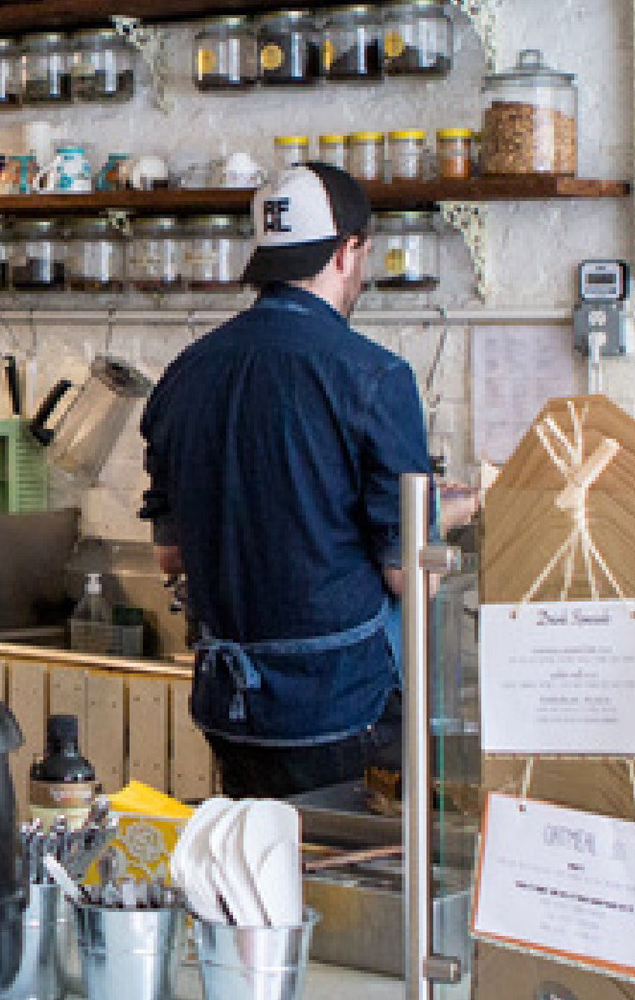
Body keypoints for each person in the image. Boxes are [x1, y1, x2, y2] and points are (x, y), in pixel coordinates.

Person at [138, 162, 433, 801]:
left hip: (232, 707)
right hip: (343, 709)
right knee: (345, 862)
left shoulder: (184, 375)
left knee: (257, 859)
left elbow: (171, 553)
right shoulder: (375, 377)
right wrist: (442, 517)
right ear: (348, 252)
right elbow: (407, 574)